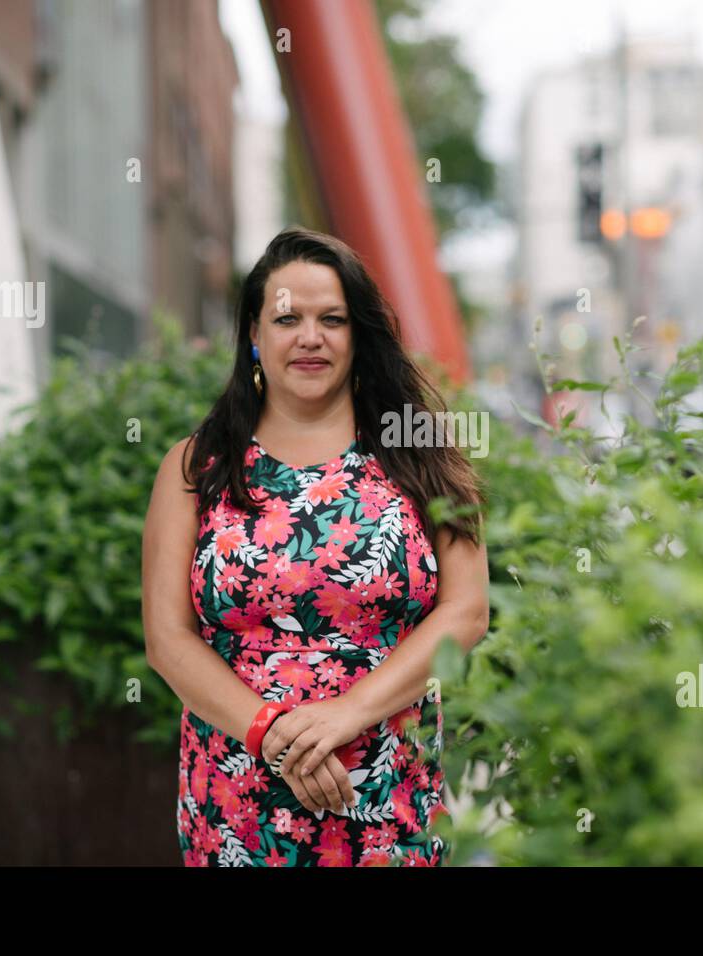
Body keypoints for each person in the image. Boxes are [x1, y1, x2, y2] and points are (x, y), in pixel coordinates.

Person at [141, 226, 490, 866]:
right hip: (236, 795)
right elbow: (167, 639)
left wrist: (345, 715)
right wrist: (272, 733)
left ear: (358, 334)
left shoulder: (423, 455)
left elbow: (466, 613)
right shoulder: (196, 467)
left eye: (332, 318)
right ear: (253, 332)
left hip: (389, 791)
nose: (310, 337)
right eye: (287, 318)